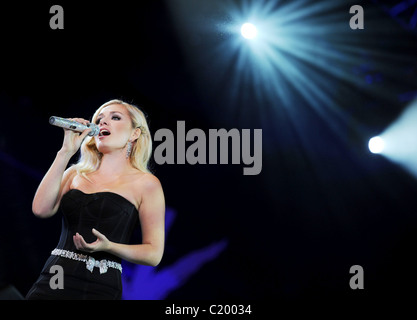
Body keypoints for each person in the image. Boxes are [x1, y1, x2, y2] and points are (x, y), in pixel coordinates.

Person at [26, 99, 165, 300]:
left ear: (135, 133)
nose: (102, 123)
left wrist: (109, 247)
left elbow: (153, 254)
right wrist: (65, 152)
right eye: (98, 119)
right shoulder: (75, 173)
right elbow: (41, 209)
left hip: (101, 286)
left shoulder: (147, 183)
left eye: (115, 117)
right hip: (56, 277)